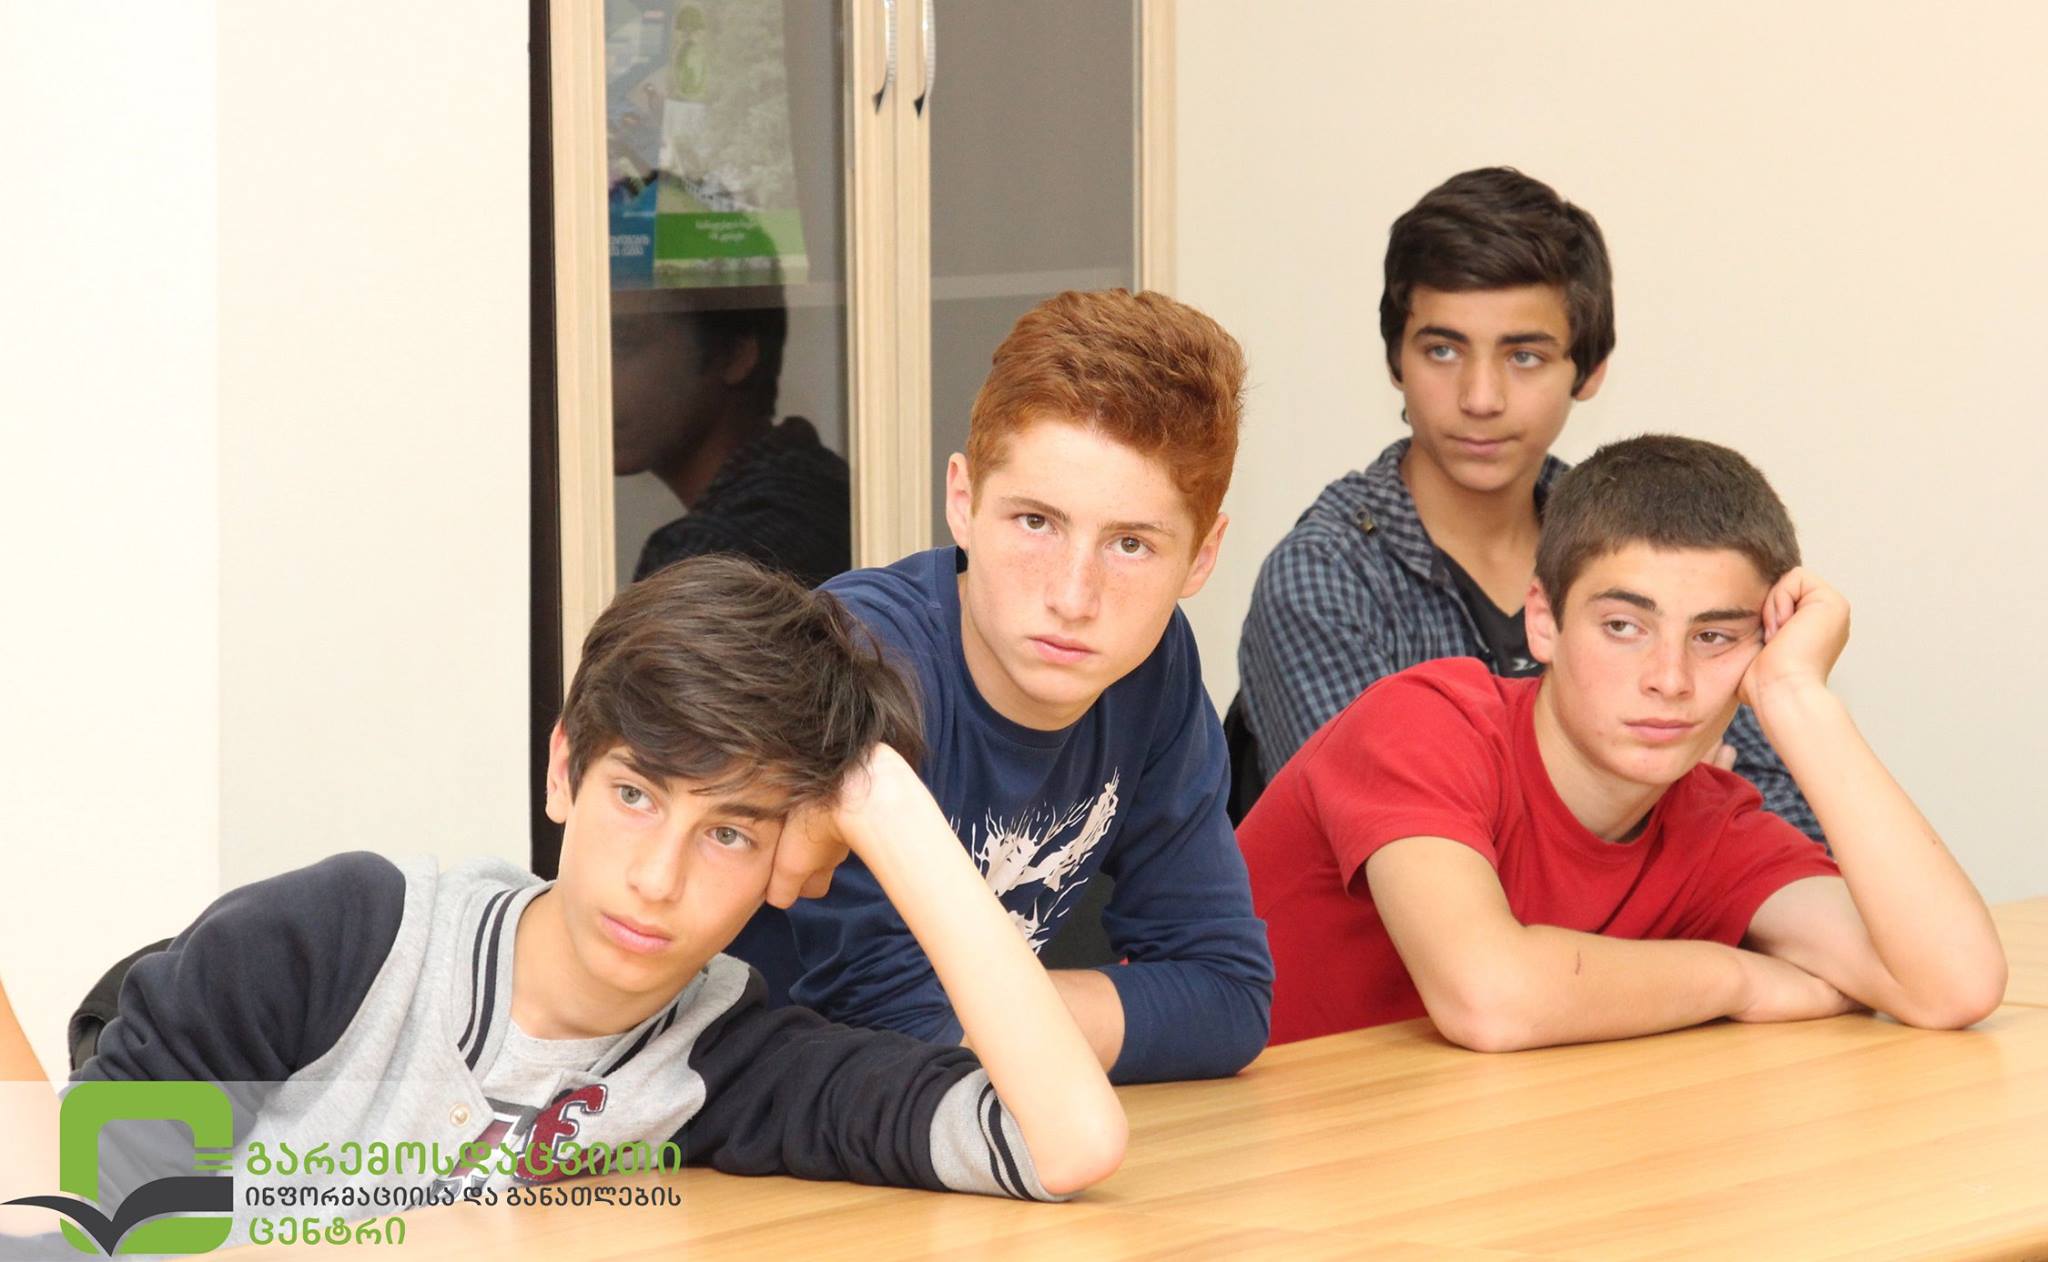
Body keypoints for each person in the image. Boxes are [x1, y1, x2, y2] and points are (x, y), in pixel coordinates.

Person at [0, 558, 1125, 1248]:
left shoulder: (725, 1057)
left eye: (730, 831)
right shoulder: (333, 940)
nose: (658, 878)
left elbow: (1065, 1143)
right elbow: (92, 1223)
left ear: (795, 859)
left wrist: (886, 805)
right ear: (562, 771)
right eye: (634, 794)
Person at [1240, 435, 2006, 1048]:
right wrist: (1736, 980)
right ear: (1544, 621)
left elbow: (1953, 984)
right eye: (1622, 627)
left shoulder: (1714, 826)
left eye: (1714, 636)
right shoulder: (1424, 724)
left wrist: (1797, 696)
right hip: (1237, 1157)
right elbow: (1489, 998)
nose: (1669, 679)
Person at [727, 289, 1274, 1085]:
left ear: (1201, 556)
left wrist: (994, 1018)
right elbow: (890, 1028)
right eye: (1035, 522)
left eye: (1130, 544)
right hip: (713, 1121)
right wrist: (1041, 1020)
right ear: (963, 500)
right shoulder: (859, 657)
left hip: (937, 1125)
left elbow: (1226, 998)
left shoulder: (1150, 664)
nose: (1073, 597)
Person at [1233, 168, 1819, 837]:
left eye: (1525, 357)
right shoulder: (1323, 580)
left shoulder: (1635, 534)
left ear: (1588, 370)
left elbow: (1797, 836)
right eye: (1443, 350)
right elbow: (1395, 866)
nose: (1480, 398)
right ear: (1396, 360)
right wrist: (1664, 804)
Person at [613, 301, 850, 589]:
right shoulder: (813, 486)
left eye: (621, 343)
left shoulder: (720, 548)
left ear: (736, 355)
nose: (594, 378)